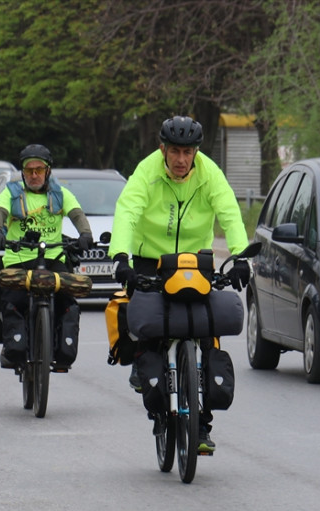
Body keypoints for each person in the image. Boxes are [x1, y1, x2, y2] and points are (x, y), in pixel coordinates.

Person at [107, 115, 250, 453]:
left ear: (196, 152)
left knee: (204, 334)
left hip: (194, 261)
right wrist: (121, 257)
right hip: (150, 259)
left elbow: (229, 212)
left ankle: (201, 427)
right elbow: (127, 211)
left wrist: (241, 255)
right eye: (175, 152)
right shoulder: (147, 171)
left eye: (188, 152)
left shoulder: (209, 173)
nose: (182, 160)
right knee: (147, 321)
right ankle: (145, 368)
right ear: (163, 149)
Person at [0, 144, 93, 369]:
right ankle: (12, 348)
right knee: (12, 300)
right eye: (29, 170)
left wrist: (85, 234)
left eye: (39, 170)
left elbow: (77, 215)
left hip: (53, 259)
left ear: (48, 171)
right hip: (18, 259)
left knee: (68, 302)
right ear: (22, 172)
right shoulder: (11, 193)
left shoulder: (61, 194)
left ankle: (62, 352)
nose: (34, 175)